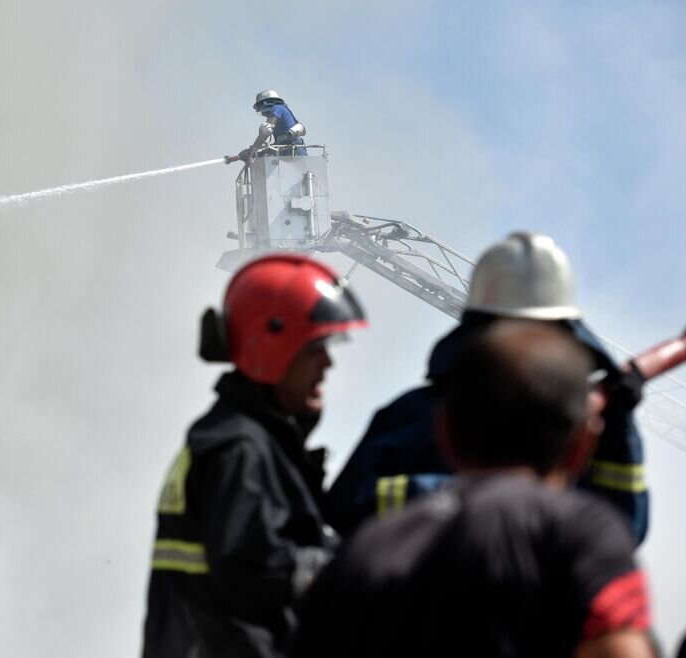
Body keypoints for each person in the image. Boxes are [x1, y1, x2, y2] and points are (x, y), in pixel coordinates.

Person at [293, 321, 655, 658]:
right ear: (579, 447)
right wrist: (617, 429)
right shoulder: (579, 533)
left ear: (444, 430)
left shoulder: (364, 552)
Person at [324, 232, 649, 543]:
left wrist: (619, 428)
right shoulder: (418, 412)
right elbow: (347, 507)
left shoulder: (582, 424)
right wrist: (461, 500)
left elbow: (622, 530)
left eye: (540, 336)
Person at [141, 254, 367, 658]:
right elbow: (253, 567)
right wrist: (363, 565)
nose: (328, 363)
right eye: (315, 347)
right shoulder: (240, 449)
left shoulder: (243, 439)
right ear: (272, 345)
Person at [224, 90, 307, 165]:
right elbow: (277, 145)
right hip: (288, 150)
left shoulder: (277, 108)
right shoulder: (281, 111)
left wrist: (252, 152)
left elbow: (265, 131)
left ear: (266, 103)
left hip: (294, 151)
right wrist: (245, 155)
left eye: (262, 110)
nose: (263, 114)